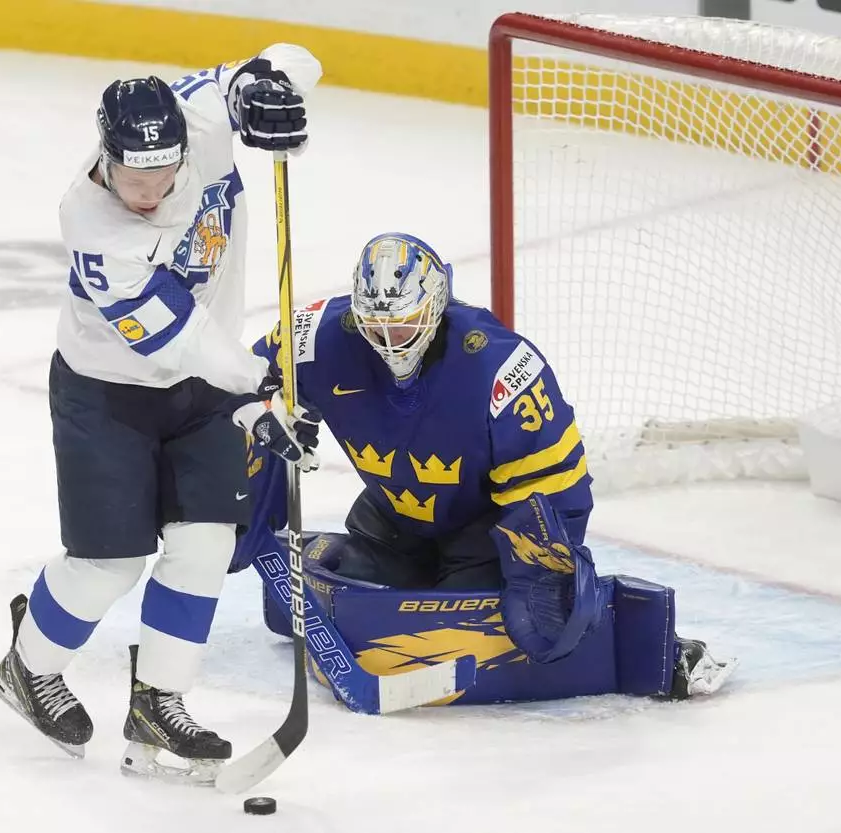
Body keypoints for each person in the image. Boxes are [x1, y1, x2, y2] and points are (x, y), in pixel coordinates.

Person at [0, 45, 324, 784]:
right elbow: (186, 339)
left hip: (201, 388)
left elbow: (286, 61)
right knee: (108, 565)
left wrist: (271, 94)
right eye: (131, 175)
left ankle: (159, 698)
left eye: (161, 174)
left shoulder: (198, 119)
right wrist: (257, 394)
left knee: (205, 544)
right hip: (106, 396)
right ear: (104, 156)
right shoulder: (94, 228)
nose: (146, 189)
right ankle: (28, 665)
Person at [232, 231, 733, 703]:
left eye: (403, 323)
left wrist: (543, 565)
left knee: (483, 620)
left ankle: (649, 643)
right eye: (375, 325)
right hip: (394, 518)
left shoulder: (500, 366)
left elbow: (559, 482)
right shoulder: (312, 337)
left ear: (435, 306)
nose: (389, 340)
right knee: (349, 579)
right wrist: (268, 412)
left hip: (486, 529)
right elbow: (239, 382)